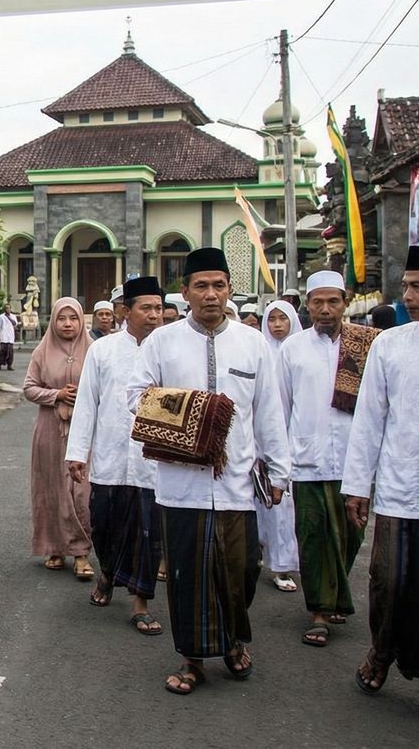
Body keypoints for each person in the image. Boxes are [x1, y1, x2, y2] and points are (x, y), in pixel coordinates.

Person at [127, 248, 289, 696]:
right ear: (186, 292)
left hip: (237, 483)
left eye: (219, 285)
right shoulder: (162, 341)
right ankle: (193, 658)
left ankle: (234, 641)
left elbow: (269, 411)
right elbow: (134, 396)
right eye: (201, 285)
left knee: (240, 571)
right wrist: (197, 415)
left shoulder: (253, 343)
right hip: (181, 486)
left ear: (230, 290)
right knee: (187, 575)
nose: (211, 294)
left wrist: (279, 472)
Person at [342, 245, 419, 727]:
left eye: (417, 286)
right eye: (405, 285)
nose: (406, 294)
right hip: (402, 488)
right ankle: (381, 652)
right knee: (389, 581)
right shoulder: (391, 344)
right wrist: (357, 485)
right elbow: (369, 418)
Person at [66, 277, 166, 635]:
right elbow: (87, 405)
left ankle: (141, 603)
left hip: (151, 463)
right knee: (104, 526)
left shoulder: (169, 349)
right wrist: (77, 453)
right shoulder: (103, 350)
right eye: (146, 308)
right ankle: (107, 573)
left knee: (148, 534)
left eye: (158, 308)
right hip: (109, 459)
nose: (155, 315)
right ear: (125, 311)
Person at [277, 271, 371, 649]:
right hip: (307, 460)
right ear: (308, 304)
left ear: (345, 302)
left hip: (355, 460)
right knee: (314, 536)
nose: (325, 309)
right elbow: (280, 408)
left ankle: (334, 594)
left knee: (351, 535)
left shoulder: (366, 345)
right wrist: (279, 463)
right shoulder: (293, 349)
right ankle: (319, 610)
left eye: (333, 301)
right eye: (318, 302)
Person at [25, 297, 94, 581]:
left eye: (73, 318)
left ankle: (81, 552)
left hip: (84, 428)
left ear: (81, 321)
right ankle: (54, 547)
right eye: (62, 318)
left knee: (81, 491)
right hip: (49, 429)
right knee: (51, 487)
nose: (68, 324)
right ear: (53, 321)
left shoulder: (94, 351)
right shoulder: (42, 352)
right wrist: (57, 395)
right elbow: (29, 388)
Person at [257, 300, 303, 594]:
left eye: (282, 319)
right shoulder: (259, 351)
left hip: (293, 440)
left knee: (284, 507)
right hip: (260, 441)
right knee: (262, 506)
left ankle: (282, 564)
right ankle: (263, 555)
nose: (276, 324)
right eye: (271, 319)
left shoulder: (299, 352)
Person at [0, 303, 18, 370]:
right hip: (3, 336)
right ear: (4, 309)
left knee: (10, 352)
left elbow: (15, 324)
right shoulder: (1, 317)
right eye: (6, 308)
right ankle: (0, 363)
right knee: (3, 351)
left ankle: (9, 365)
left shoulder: (13, 316)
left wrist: (9, 318)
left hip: (10, 336)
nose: (8, 309)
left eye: (9, 308)